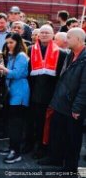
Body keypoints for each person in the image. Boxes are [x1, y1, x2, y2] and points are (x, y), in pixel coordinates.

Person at [39, 28, 86, 173]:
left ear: (78, 39)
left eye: (69, 37)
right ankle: (55, 157)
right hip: (60, 102)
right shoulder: (70, 54)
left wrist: (77, 108)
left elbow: (85, 87)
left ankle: (70, 167)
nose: (66, 40)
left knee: (73, 139)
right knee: (57, 133)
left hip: (73, 106)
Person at [25, 25, 67, 158]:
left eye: (47, 33)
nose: (43, 35)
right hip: (32, 92)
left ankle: (42, 147)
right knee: (30, 120)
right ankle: (29, 144)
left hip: (49, 94)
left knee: (44, 123)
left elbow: (61, 77)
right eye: (41, 32)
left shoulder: (61, 53)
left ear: (52, 35)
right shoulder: (30, 50)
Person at [0, 33, 30, 164]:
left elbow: (17, 74)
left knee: (16, 124)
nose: (8, 45)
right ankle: (12, 148)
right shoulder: (12, 56)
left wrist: (3, 69)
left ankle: (16, 152)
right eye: (7, 42)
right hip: (13, 94)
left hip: (20, 94)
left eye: (11, 42)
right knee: (12, 123)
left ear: (18, 42)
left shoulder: (21, 56)